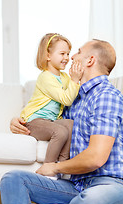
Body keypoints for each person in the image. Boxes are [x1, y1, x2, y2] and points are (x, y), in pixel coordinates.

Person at [0, 39, 123, 204]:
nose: (72, 57)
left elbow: (96, 158)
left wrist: (55, 167)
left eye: (77, 52)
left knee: (91, 203)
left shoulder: (106, 96)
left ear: (90, 60)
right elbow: (48, 122)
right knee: (13, 178)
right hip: (78, 186)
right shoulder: (74, 100)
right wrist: (19, 121)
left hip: (116, 185)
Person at [19, 33, 80, 170]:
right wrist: (75, 80)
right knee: (60, 132)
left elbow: (74, 90)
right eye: (62, 53)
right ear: (48, 56)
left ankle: (62, 167)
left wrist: (77, 77)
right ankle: (48, 168)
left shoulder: (64, 77)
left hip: (51, 121)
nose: (66, 58)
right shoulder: (45, 77)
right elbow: (67, 99)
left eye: (68, 54)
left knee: (71, 125)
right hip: (34, 121)